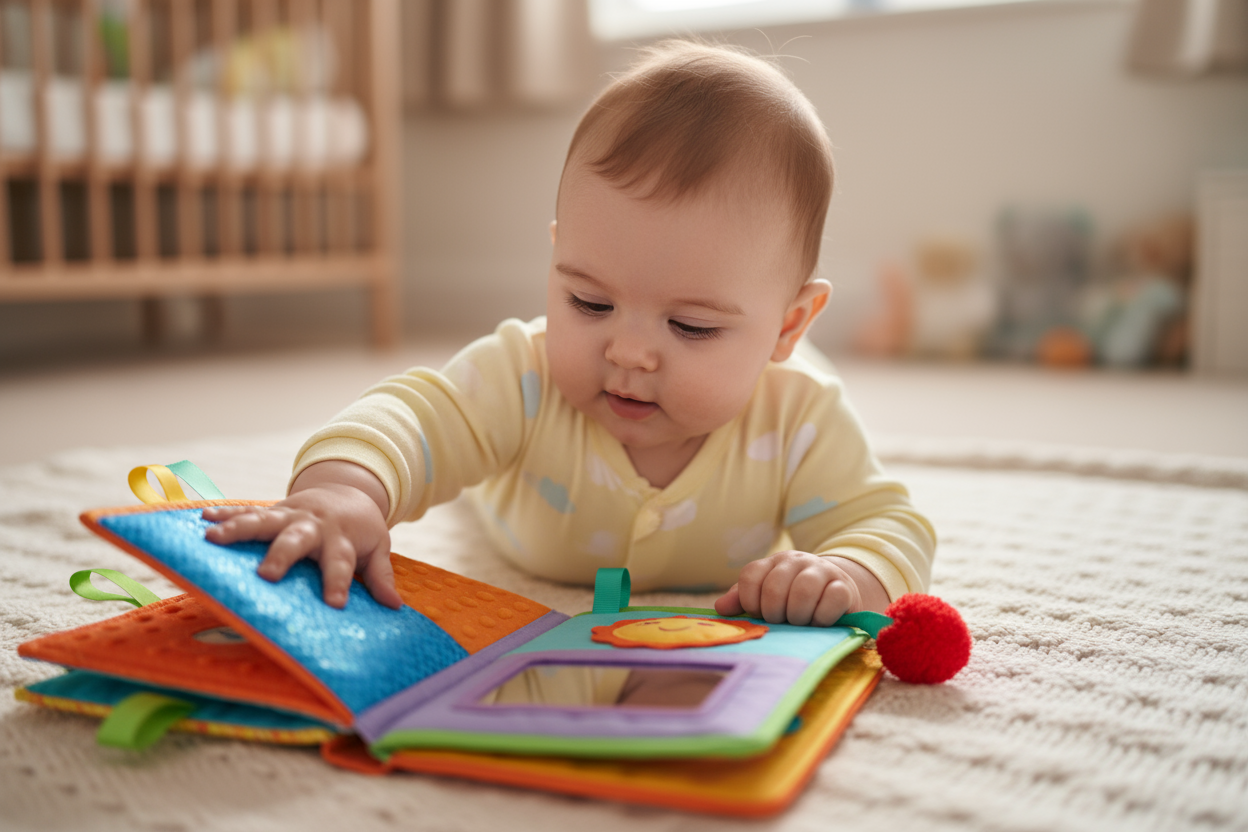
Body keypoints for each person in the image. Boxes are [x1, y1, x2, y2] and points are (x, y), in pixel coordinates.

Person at [203, 40, 935, 626]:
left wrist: (845, 574)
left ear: (789, 326)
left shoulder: (801, 416)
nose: (628, 351)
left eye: (690, 325)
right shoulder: (525, 376)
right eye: (589, 302)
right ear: (557, 261)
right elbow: (411, 416)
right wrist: (343, 491)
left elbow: (889, 524)